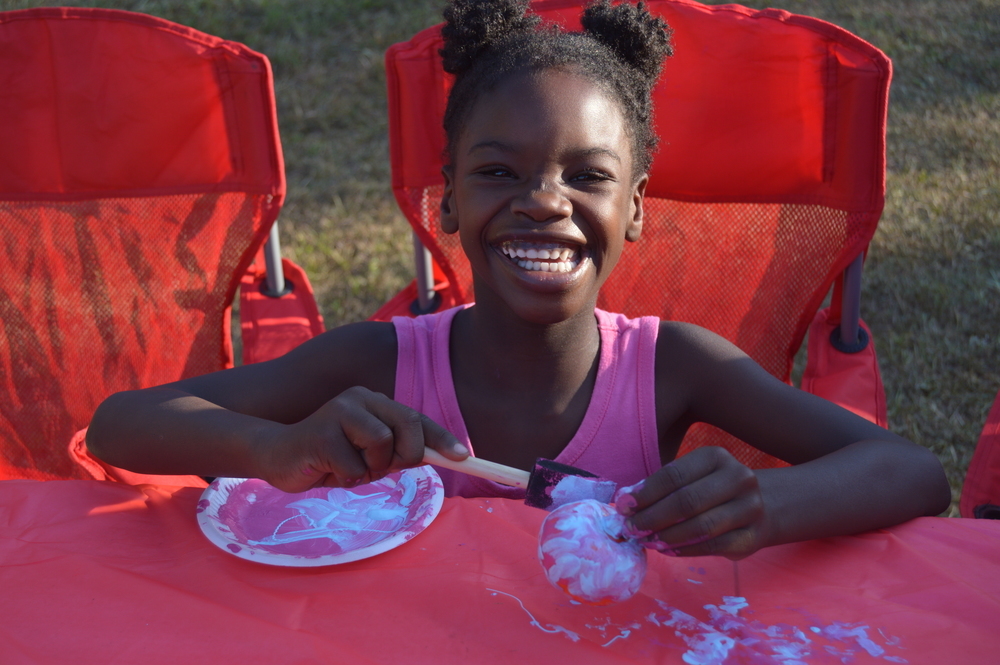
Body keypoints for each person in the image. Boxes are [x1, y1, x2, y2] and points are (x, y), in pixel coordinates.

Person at [86, 0, 950, 560]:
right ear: (449, 200)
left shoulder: (674, 367)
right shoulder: (379, 365)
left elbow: (910, 471)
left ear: (638, 207)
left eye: (588, 177)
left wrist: (764, 502)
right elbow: (122, 426)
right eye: (499, 172)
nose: (545, 202)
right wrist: (270, 446)